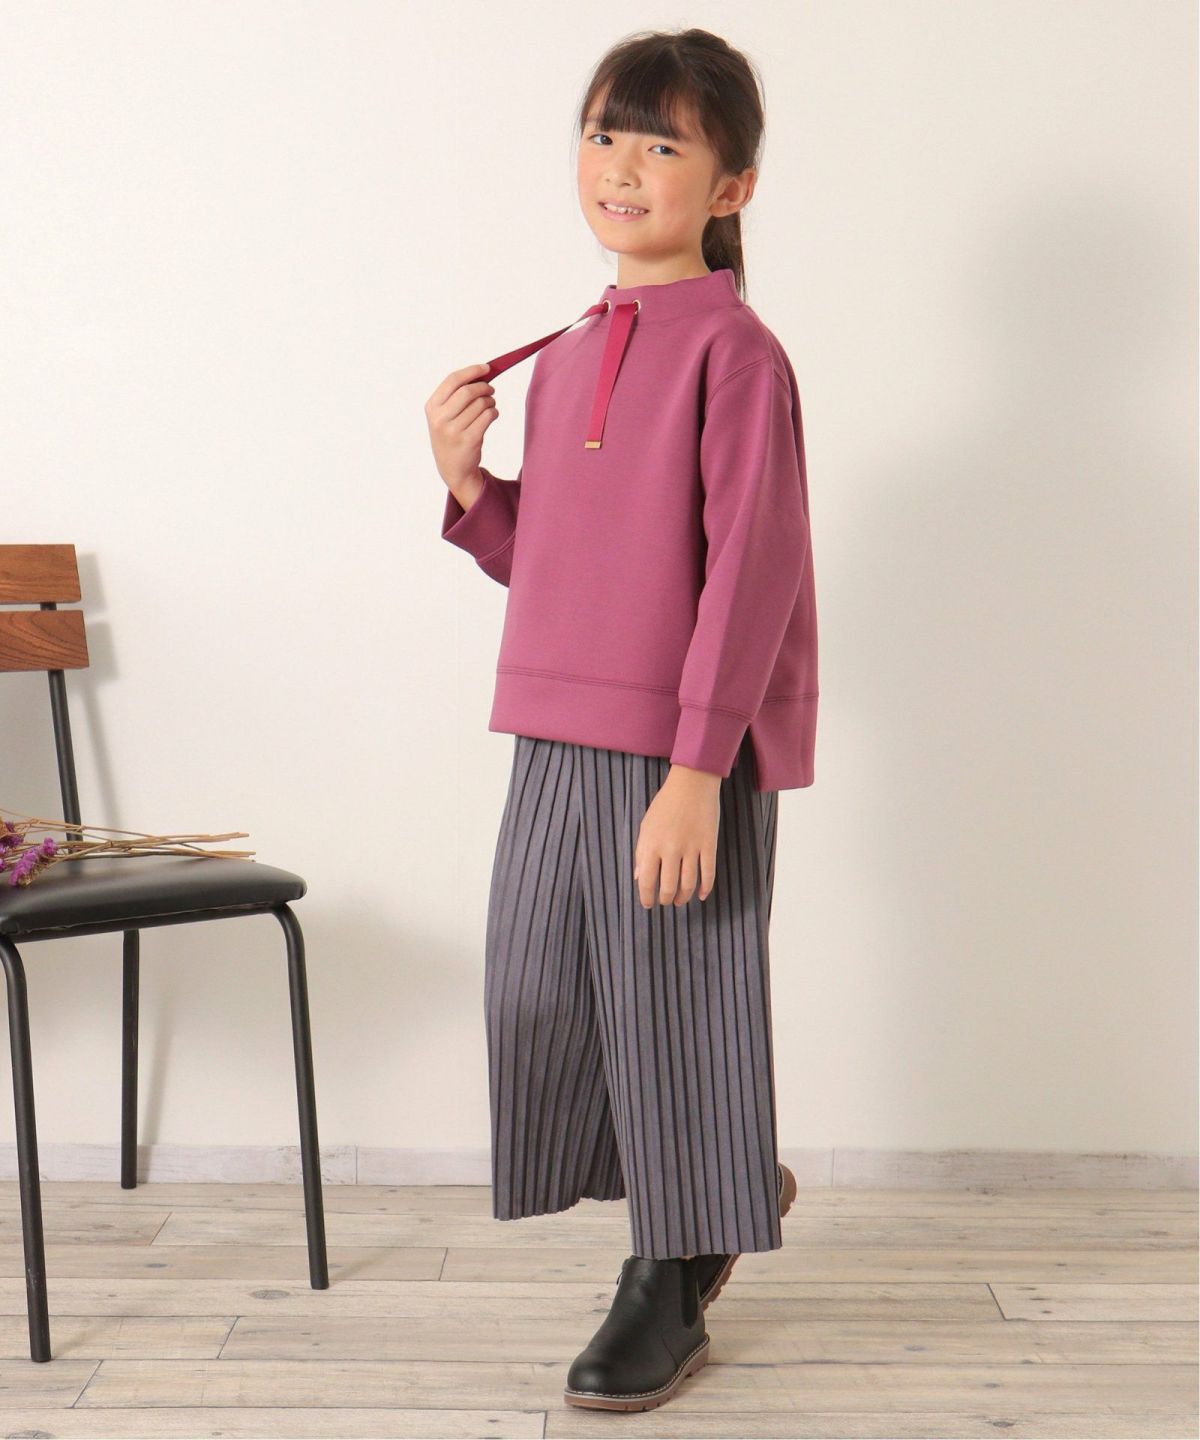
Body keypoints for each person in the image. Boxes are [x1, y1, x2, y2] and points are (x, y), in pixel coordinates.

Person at [425, 25, 815, 1414]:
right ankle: (716, 1185)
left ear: (731, 187)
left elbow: (753, 574)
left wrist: (699, 771)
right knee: (535, 988)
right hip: (555, 729)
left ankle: (672, 1270)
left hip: (681, 748)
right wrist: (472, 489)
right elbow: (569, 566)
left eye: (662, 142)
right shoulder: (572, 348)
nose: (623, 165)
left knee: (672, 1010)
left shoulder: (738, 355)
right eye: (605, 134)